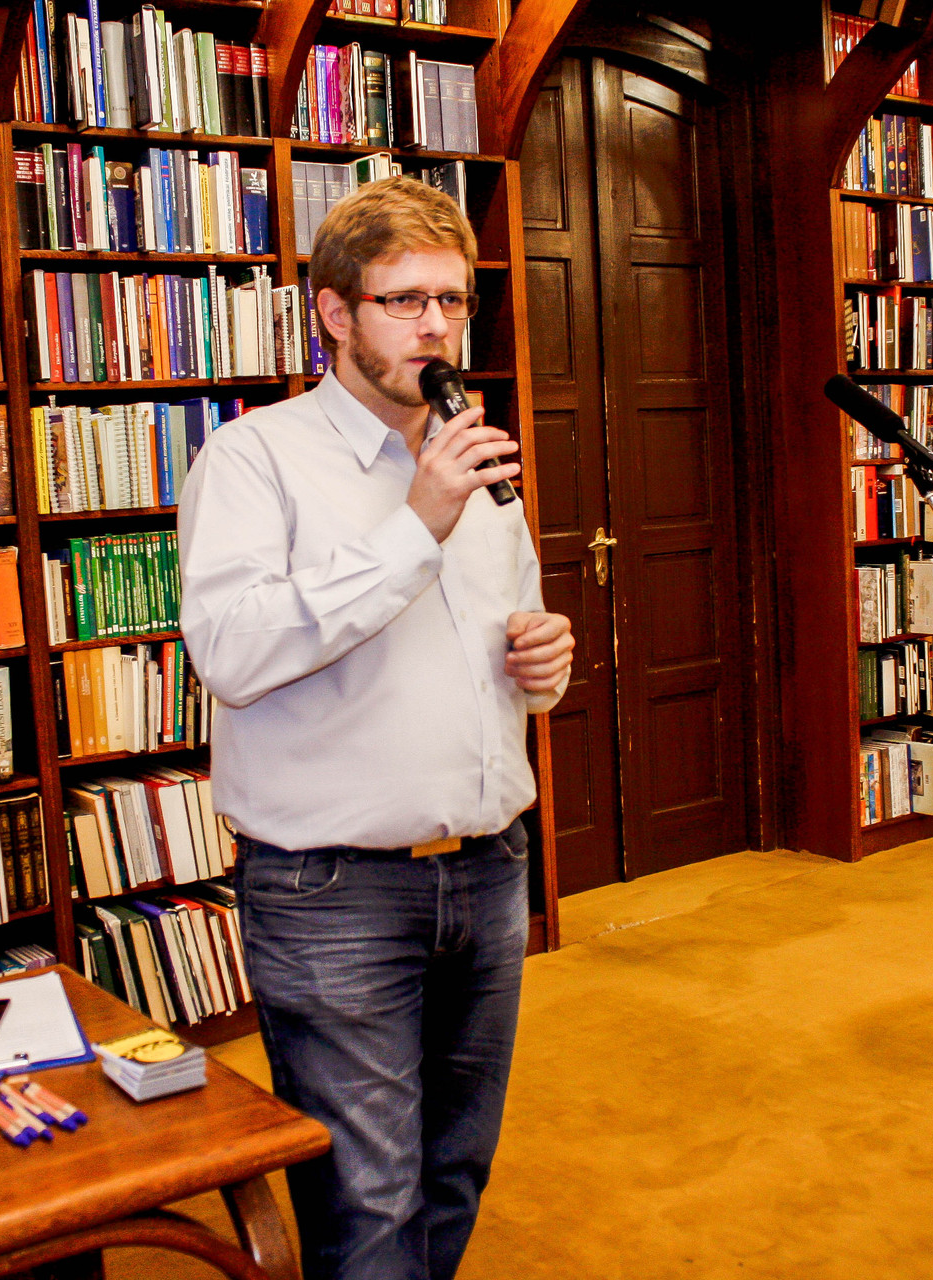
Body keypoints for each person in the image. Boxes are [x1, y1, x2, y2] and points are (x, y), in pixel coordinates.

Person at [177, 177, 574, 1280]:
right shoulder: (253, 460)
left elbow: (510, 643)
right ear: (335, 312)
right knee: (367, 1203)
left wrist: (541, 665)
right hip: (333, 893)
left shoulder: (471, 452)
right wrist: (416, 523)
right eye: (405, 301)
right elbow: (233, 654)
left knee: (454, 1173)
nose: (436, 325)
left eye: (453, 300)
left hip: (488, 869)